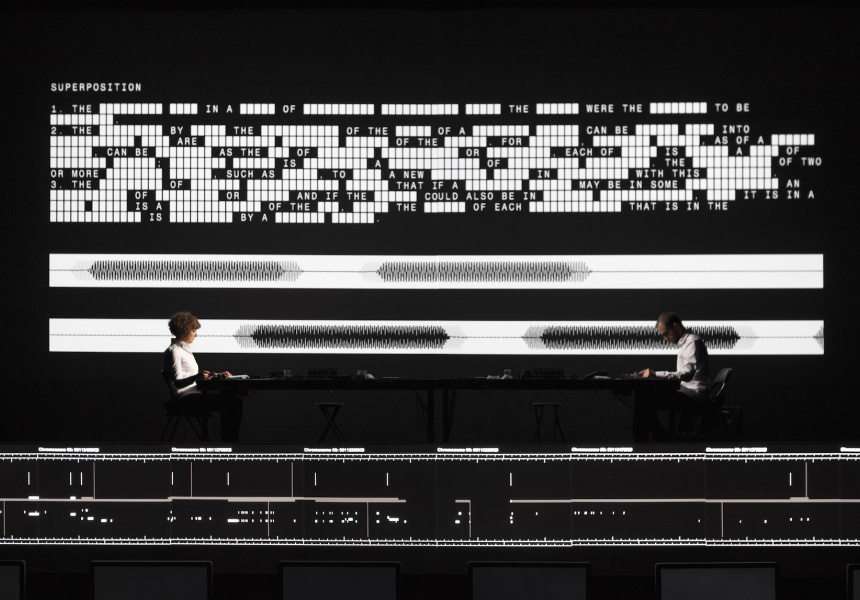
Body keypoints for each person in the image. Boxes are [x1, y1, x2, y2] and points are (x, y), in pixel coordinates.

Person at [163, 311, 242, 442]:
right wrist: (195, 378)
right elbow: (178, 383)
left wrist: (215, 375)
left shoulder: (184, 350)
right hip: (186, 400)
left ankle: (228, 442)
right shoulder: (174, 351)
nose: (196, 334)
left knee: (232, 401)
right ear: (184, 331)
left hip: (194, 396)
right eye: (193, 331)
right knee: (234, 403)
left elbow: (193, 377)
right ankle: (231, 443)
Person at [634, 312, 711, 442]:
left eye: (666, 334)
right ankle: (658, 437)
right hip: (688, 392)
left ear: (675, 326)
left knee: (643, 398)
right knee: (643, 396)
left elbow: (687, 374)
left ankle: (656, 439)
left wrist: (656, 374)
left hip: (694, 396)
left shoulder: (692, 342)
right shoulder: (686, 343)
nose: (665, 339)